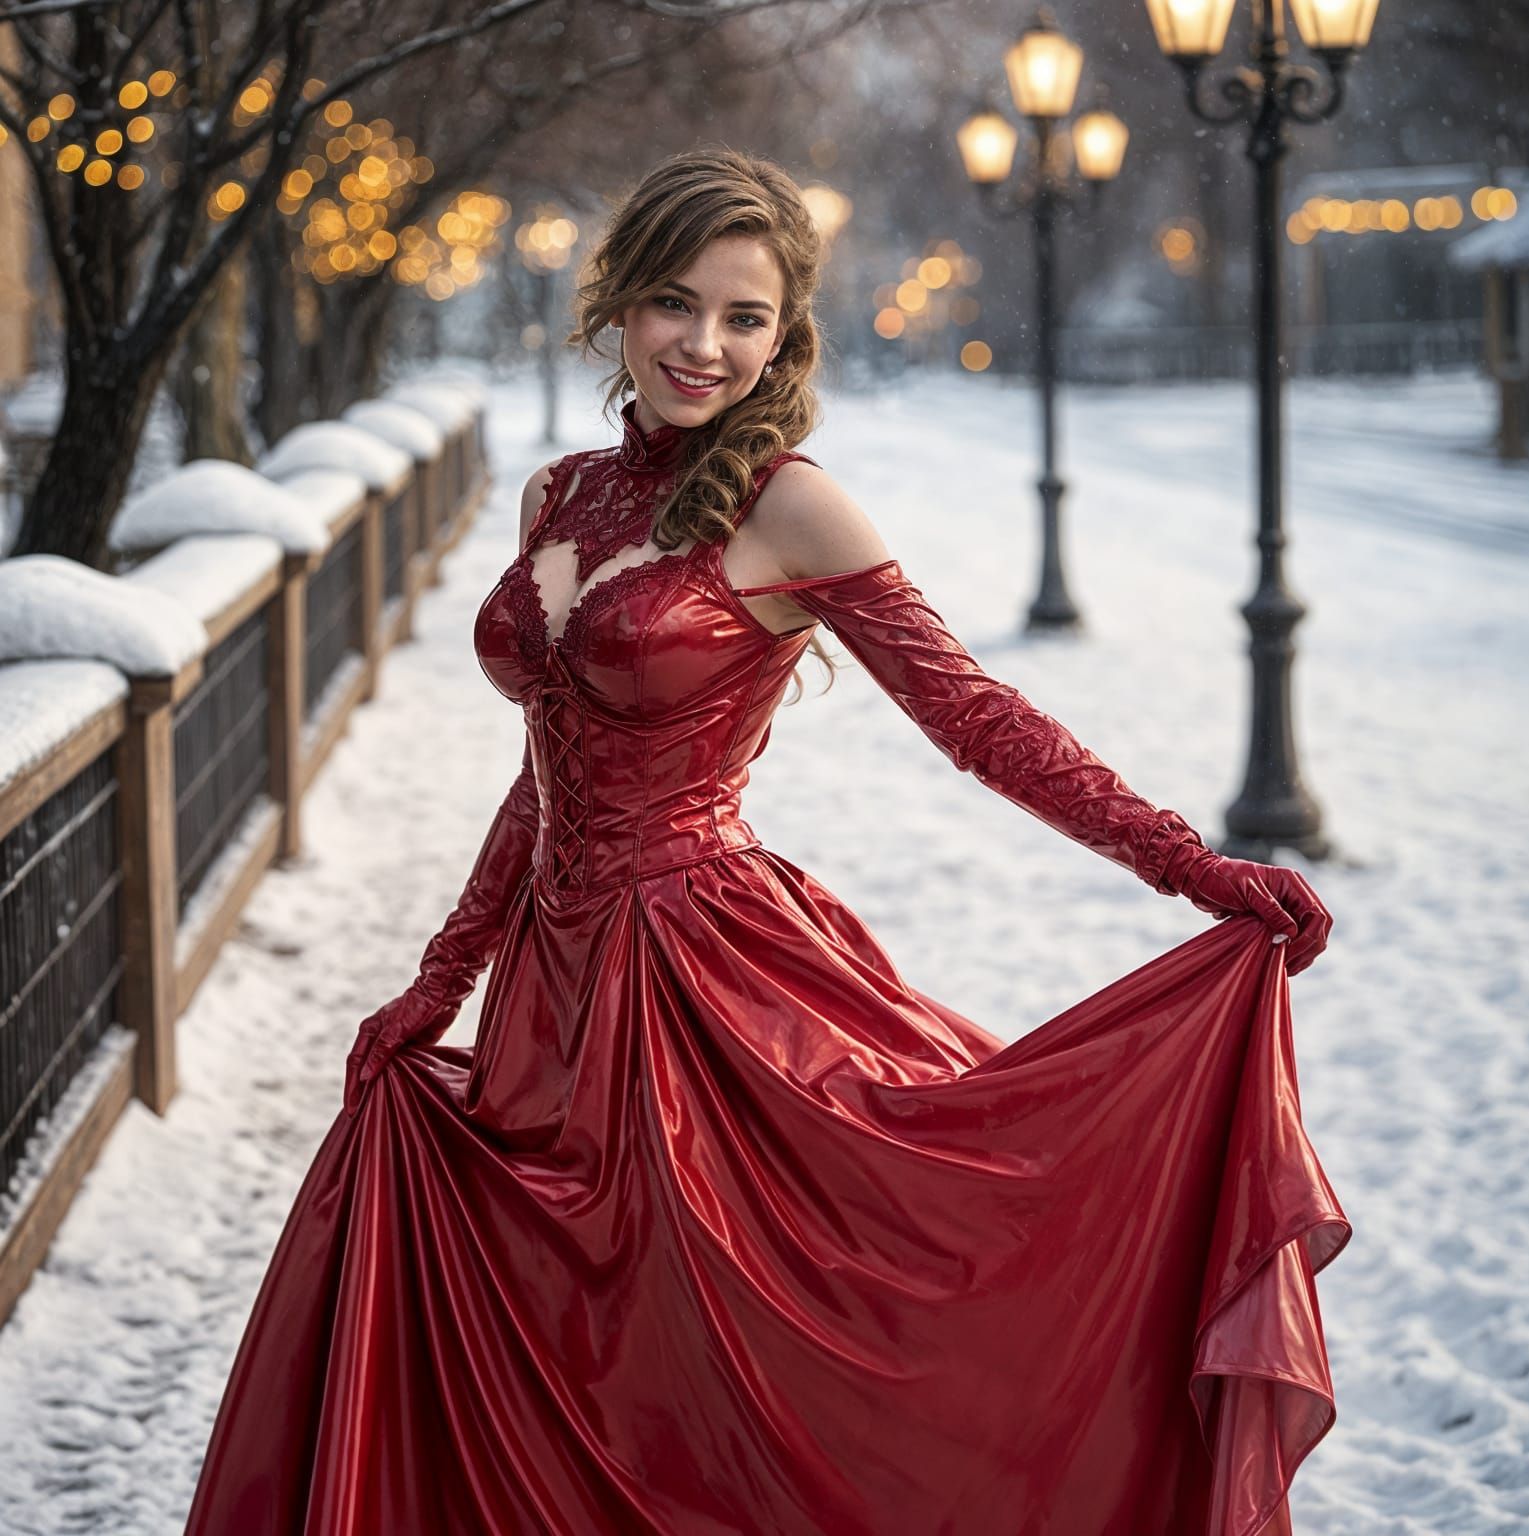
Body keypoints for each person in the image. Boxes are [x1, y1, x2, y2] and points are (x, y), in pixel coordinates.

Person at [183, 146, 1345, 1536]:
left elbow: (976, 718)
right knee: (573, 1366)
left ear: (785, 335)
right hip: (546, 1011)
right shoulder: (556, 496)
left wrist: (1193, 866)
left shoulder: (788, 505)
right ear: (619, 302)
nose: (708, 346)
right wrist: (444, 983)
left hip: (703, 1000)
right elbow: (547, 769)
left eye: (749, 319)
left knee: (717, 1391)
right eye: (679, 304)